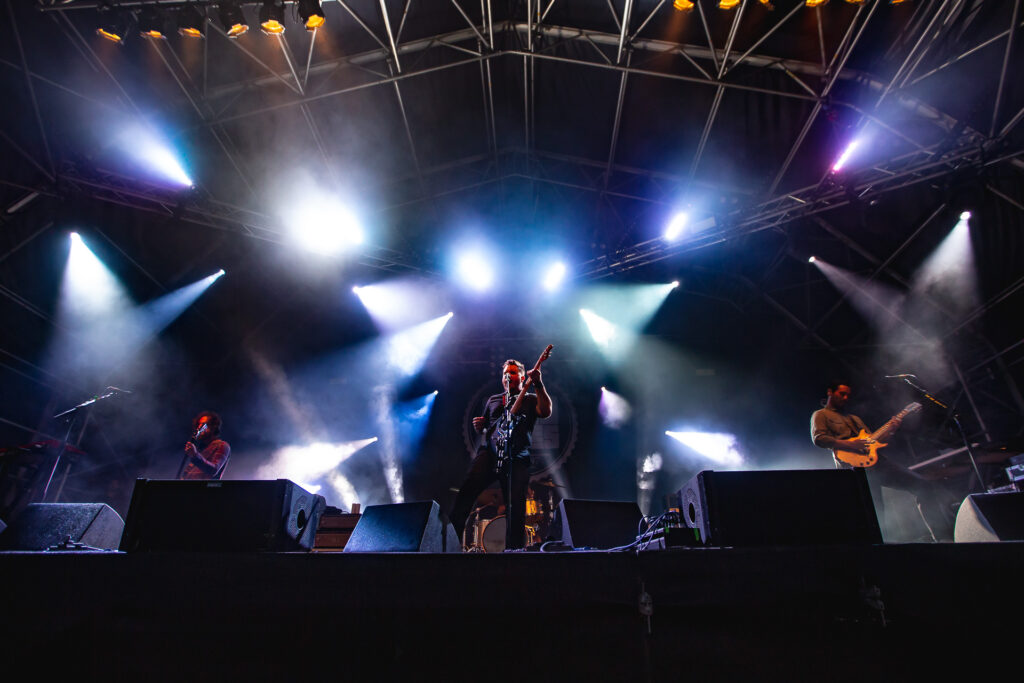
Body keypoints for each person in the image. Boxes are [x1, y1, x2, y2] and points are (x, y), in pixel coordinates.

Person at [810, 381, 951, 540]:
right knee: (875, 511)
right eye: (841, 393)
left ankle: (943, 538)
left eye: (848, 395)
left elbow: (872, 442)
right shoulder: (820, 415)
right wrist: (850, 443)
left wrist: (891, 430)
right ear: (830, 392)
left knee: (924, 486)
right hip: (854, 468)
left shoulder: (854, 418)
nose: (845, 397)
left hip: (877, 462)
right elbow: (819, 439)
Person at [450, 359, 552, 550]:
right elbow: (489, 429)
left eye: (512, 373)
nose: (507, 376)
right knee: (466, 492)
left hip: (517, 457)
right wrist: (481, 426)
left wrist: (538, 383)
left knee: (515, 508)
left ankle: (513, 553)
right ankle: (448, 544)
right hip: (490, 453)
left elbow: (545, 411)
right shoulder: (493, 400)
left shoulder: (530, 399)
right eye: (505, 373)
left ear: (522, 377)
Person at [178, 411, 231, 480]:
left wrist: (195, 455)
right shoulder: (201, 449)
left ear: (214, 427)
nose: (199, 429)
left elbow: (213, 470)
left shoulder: (222, 445)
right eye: (198, 425)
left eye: (203, 425)